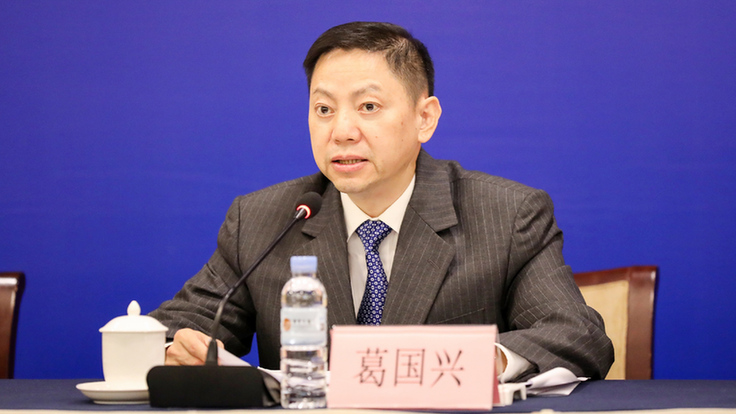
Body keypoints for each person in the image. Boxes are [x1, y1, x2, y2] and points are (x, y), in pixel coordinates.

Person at [150, 21, 613, 381]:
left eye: (368, 107)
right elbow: (177, 328)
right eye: (324, 109)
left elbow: (577, 335)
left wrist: (479, 362)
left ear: (425, 118)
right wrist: (174, 349)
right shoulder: (262, 220)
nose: (341, 131)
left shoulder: (506, 216)